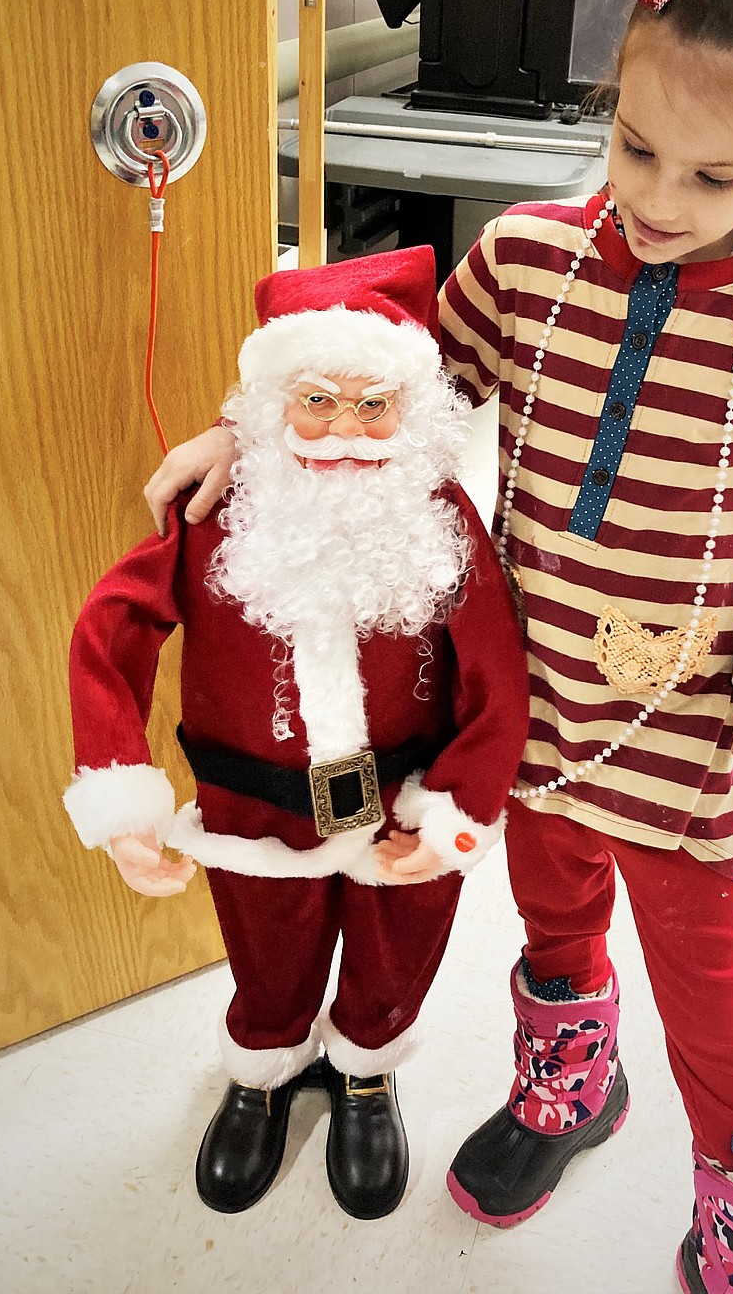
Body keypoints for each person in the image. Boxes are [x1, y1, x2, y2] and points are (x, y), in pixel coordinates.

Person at [143, 0, 733, 1294]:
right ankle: (569, 1082)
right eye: (632, 144)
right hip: (532, 706)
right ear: (604, 95)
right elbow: (385, 402)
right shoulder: (527, 257)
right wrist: (246, 440)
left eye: (711, 173)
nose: (658, 196)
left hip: (685, 721)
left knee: (705, 979)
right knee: (552, 910)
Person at [65, 246, 529, 1221]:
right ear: (270, 406)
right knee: (265, 947)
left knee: (395, 945)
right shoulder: (219, 509)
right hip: (250, 807)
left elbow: (497, 670)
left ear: (414, 413)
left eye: (374, 405)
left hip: (406, 807)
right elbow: (112, 630)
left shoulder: (439, 515)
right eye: (315, 400)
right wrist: (120, 791)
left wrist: (459, 808)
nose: (345, 430)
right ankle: (267, 1065)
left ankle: (367, 1068)